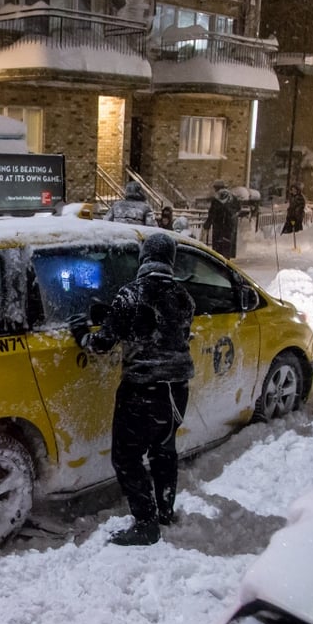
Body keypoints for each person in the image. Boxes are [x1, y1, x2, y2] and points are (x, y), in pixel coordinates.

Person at [68, 232, 195, 546]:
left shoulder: (131, 294)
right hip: (176, 390)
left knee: (126, 457)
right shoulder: (183, 296)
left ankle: (146, 523)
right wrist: (113, 315)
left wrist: (83, 333)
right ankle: (165, 510)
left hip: (142, 392)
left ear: (144, 258)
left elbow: (103, 342)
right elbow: (165, 329)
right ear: (170, 260)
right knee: (164, 450)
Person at [204, 180, 240, 258]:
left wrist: (207, 224)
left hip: (218, 225)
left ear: (216, 188)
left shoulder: (216, 198)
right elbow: (238, 209)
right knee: (227, 244)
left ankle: (218, 261)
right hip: (229, 226)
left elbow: (212, 213)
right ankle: (226, 261)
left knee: (217, 246)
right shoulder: (233, 197)